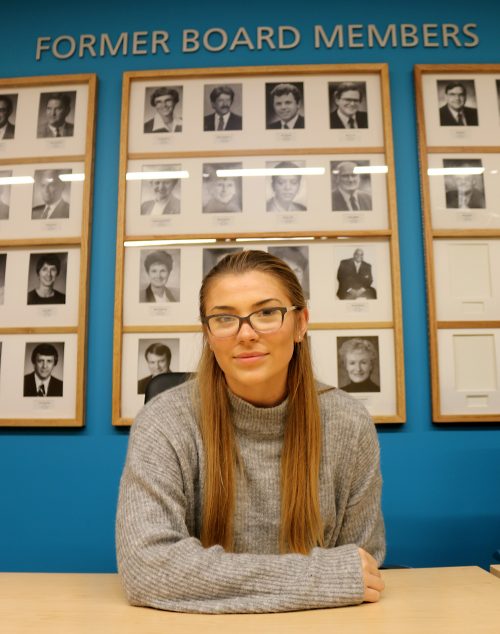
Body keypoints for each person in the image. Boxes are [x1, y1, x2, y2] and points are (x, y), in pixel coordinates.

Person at [116, 250, 385, 613]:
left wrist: (340, 575)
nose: (246, 333)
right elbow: (147, 567)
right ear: (208, 334)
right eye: (225, 318)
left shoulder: (349, 424)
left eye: (267, 313)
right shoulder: (162, 422)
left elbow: (363, 568)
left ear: (301, 323)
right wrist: (325, 577)